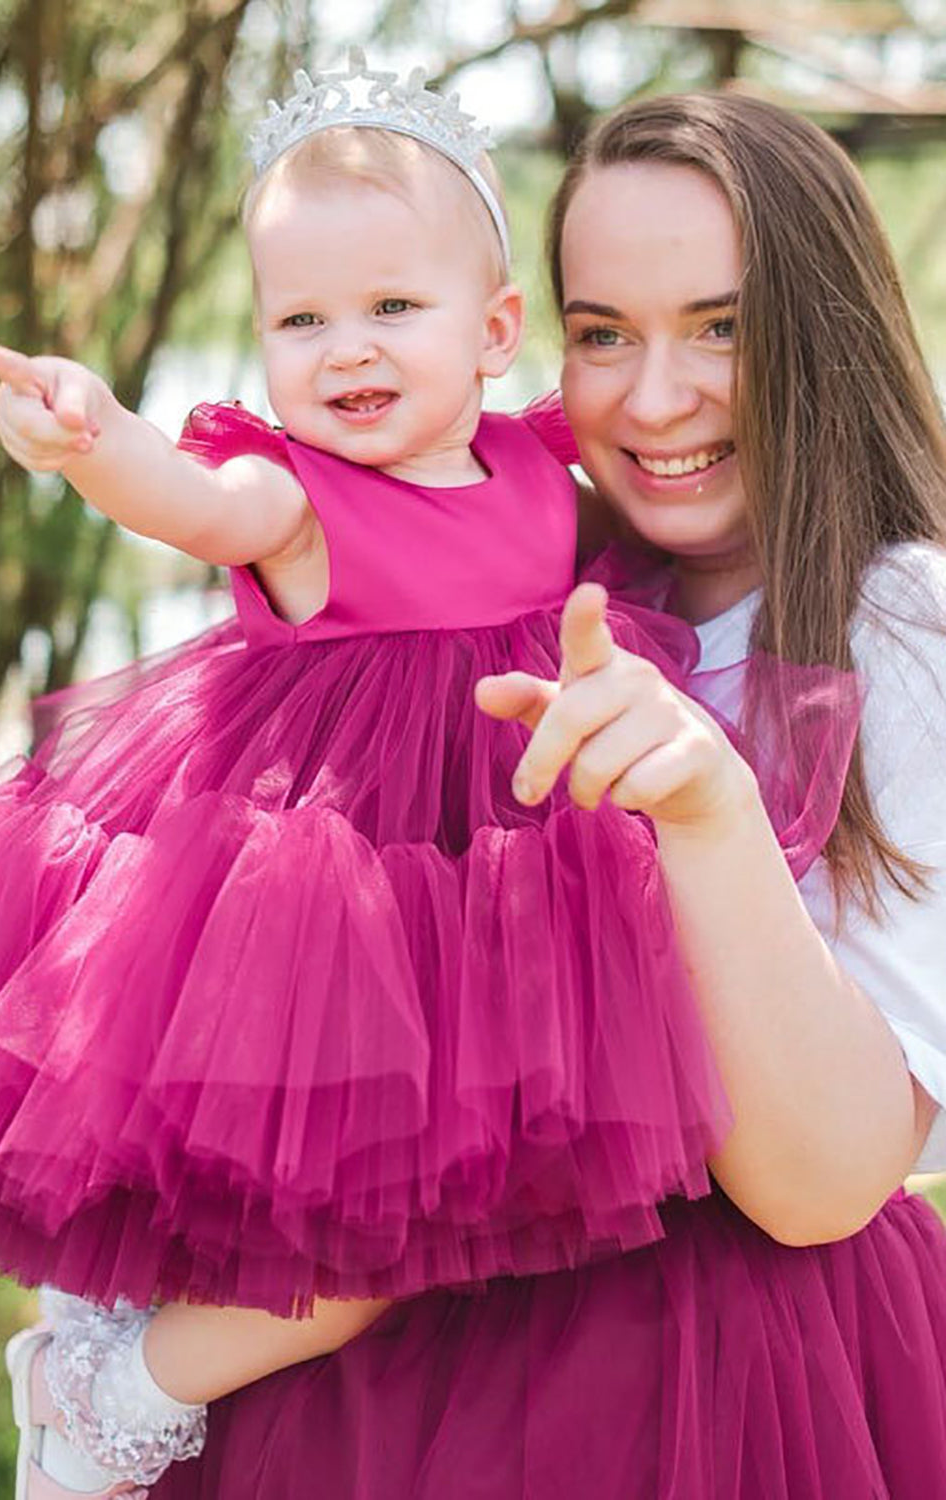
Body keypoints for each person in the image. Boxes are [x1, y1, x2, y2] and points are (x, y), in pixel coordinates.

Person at [0, 63, 821, 1499]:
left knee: (438, 1244)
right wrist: (95, 440)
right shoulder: (297, 495)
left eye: (391, 311)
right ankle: (109, 1391)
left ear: (493, 334)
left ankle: (139, 1348)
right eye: (302, 319)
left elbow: (680, 499)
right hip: (338, 895)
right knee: (359, 1259)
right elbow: (194, 500)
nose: (345, 351)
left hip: (505, 898)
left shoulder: (543, 472)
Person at [148, 92, 946, 1500]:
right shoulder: (496, 581)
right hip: (378, 1381)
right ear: (528, 334)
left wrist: (704, 814)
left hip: (718, 1384)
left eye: (722, 324)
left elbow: (826, 1179)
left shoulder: (903, 628)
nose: (652, 397)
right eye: (602, 333)